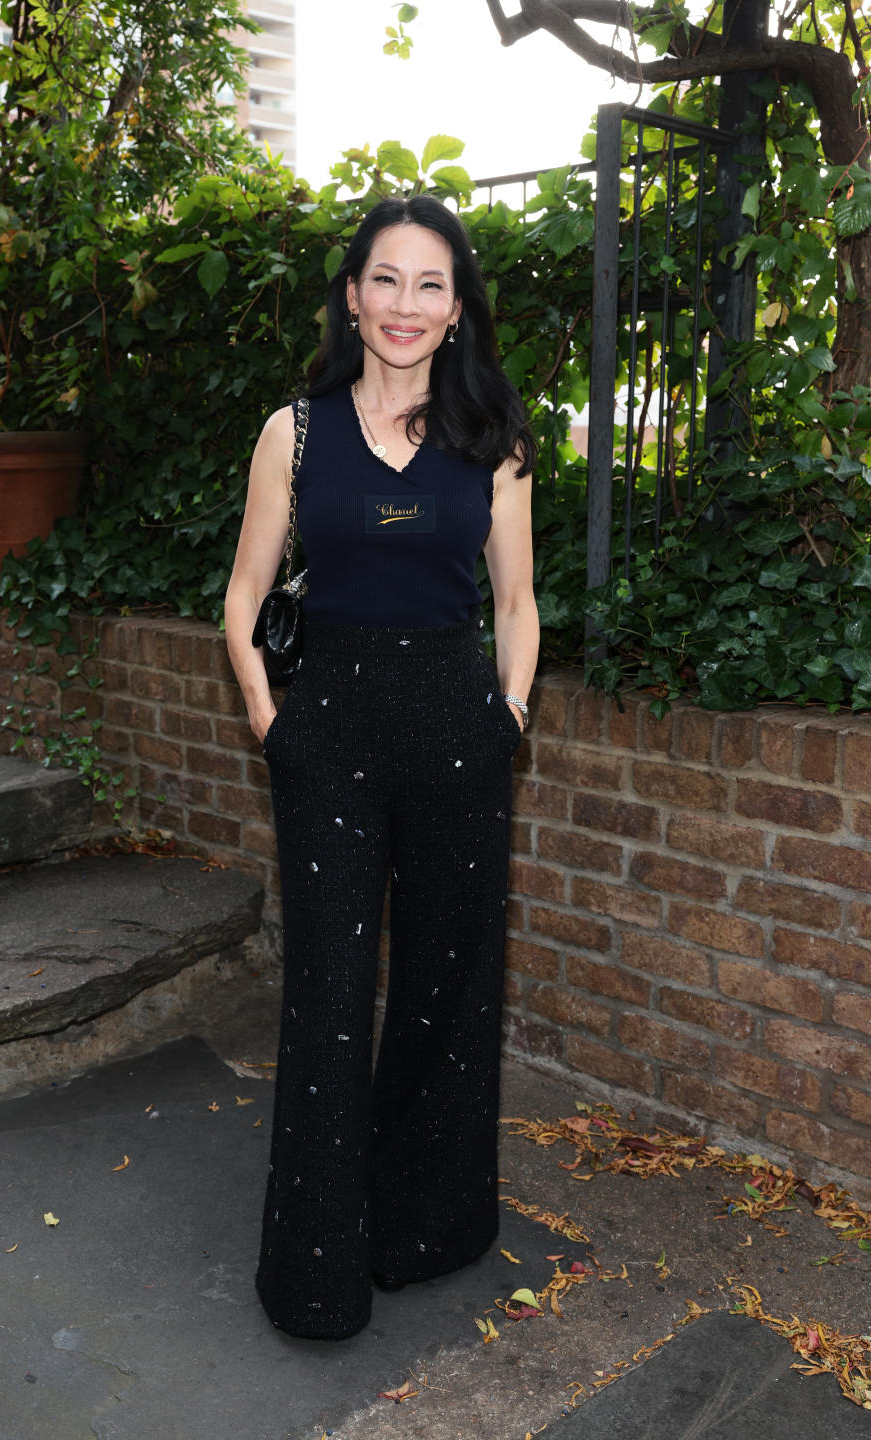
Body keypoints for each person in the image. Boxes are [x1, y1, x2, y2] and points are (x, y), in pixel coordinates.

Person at [223, 193, 539, 1341]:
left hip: (459, 733)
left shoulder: (493, 436)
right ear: (352, 297)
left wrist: (508, 715)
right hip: (332, 740)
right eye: (387, 281)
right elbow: (246, 594)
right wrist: (270, 716)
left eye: (432, 285)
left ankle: (426, 1221)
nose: (407, 306)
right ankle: (315, 1270)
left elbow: (516, 600)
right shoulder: (293, 433)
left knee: (450, 985)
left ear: (457, 312)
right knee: (329, 995)